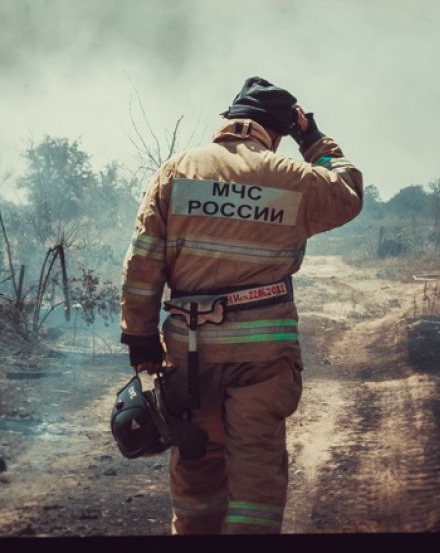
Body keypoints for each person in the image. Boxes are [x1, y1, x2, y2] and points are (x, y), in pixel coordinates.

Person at [119, 76, 363, 535]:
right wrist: (311, 138)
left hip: (190, 356)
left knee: (196, 471)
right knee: (256, 481)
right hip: (262, 361)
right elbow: (346, 191)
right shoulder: (292, 179)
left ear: (230, 121)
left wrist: (140, 339)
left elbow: (143, 259)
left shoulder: (176, 171)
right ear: (276, 130)